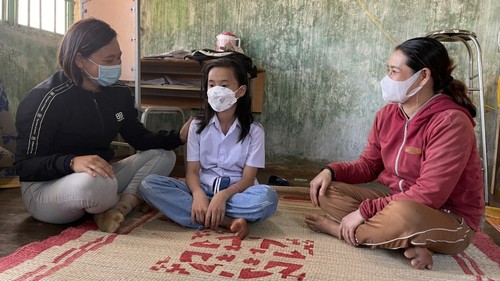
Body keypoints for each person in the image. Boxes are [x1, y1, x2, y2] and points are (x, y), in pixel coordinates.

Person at [305, 37, 484, 270]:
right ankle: (405, 240)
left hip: (448, 217)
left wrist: (364, 211)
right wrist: (331, 170)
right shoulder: (387, 114)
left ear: (423, 76)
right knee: (326, 191)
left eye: (394, 71)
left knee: (404, 215)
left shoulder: (451, 122)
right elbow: (368, 166)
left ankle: (342, 231)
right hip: (398, 203)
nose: (387, 79)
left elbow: (429, 195)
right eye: (388, 70)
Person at [15, 18, 192, 233]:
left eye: (118, 58)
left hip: (98, 175)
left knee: (164, 155)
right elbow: (25, 166)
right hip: (46, 188)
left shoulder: (117, 93)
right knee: (98, 185)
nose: (116, 66)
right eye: (108, 60)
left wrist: (178, 137)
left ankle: (119, 207)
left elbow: (138, 138)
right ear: (80, 60)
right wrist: (71, 162)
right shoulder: (47, 99)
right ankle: (114, 200)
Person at [140, 57, 278, 239]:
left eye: (224, 85)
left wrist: (223, 197)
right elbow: (193, 172)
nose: (216, 91)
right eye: (211, 85)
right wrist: (198, 195)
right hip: (202, 189)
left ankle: (202, 213)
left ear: (241, 90)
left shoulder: (255, 131)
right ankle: (226, 221)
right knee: (148, 184)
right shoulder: (197, 127)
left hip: (236, 193)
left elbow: (248, 178)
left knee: (267, 199)